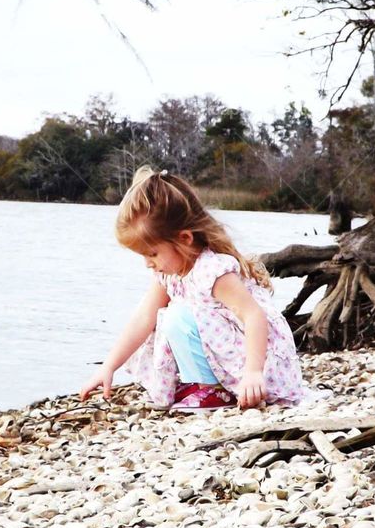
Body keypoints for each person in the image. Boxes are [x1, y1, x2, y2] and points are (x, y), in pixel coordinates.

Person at [79, 165, 314, 412]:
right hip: (232, 354)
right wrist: (108, 366)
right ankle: (202, 384)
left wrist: (253, 372)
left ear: (185, 239)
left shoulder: (212, 270)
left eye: (153, 253)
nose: (148, 263)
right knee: (164, 317)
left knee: (177, 315)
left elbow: (254, 316)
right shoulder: (168, 274)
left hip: (259, 359)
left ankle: (215, 390)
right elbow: (143, 319)